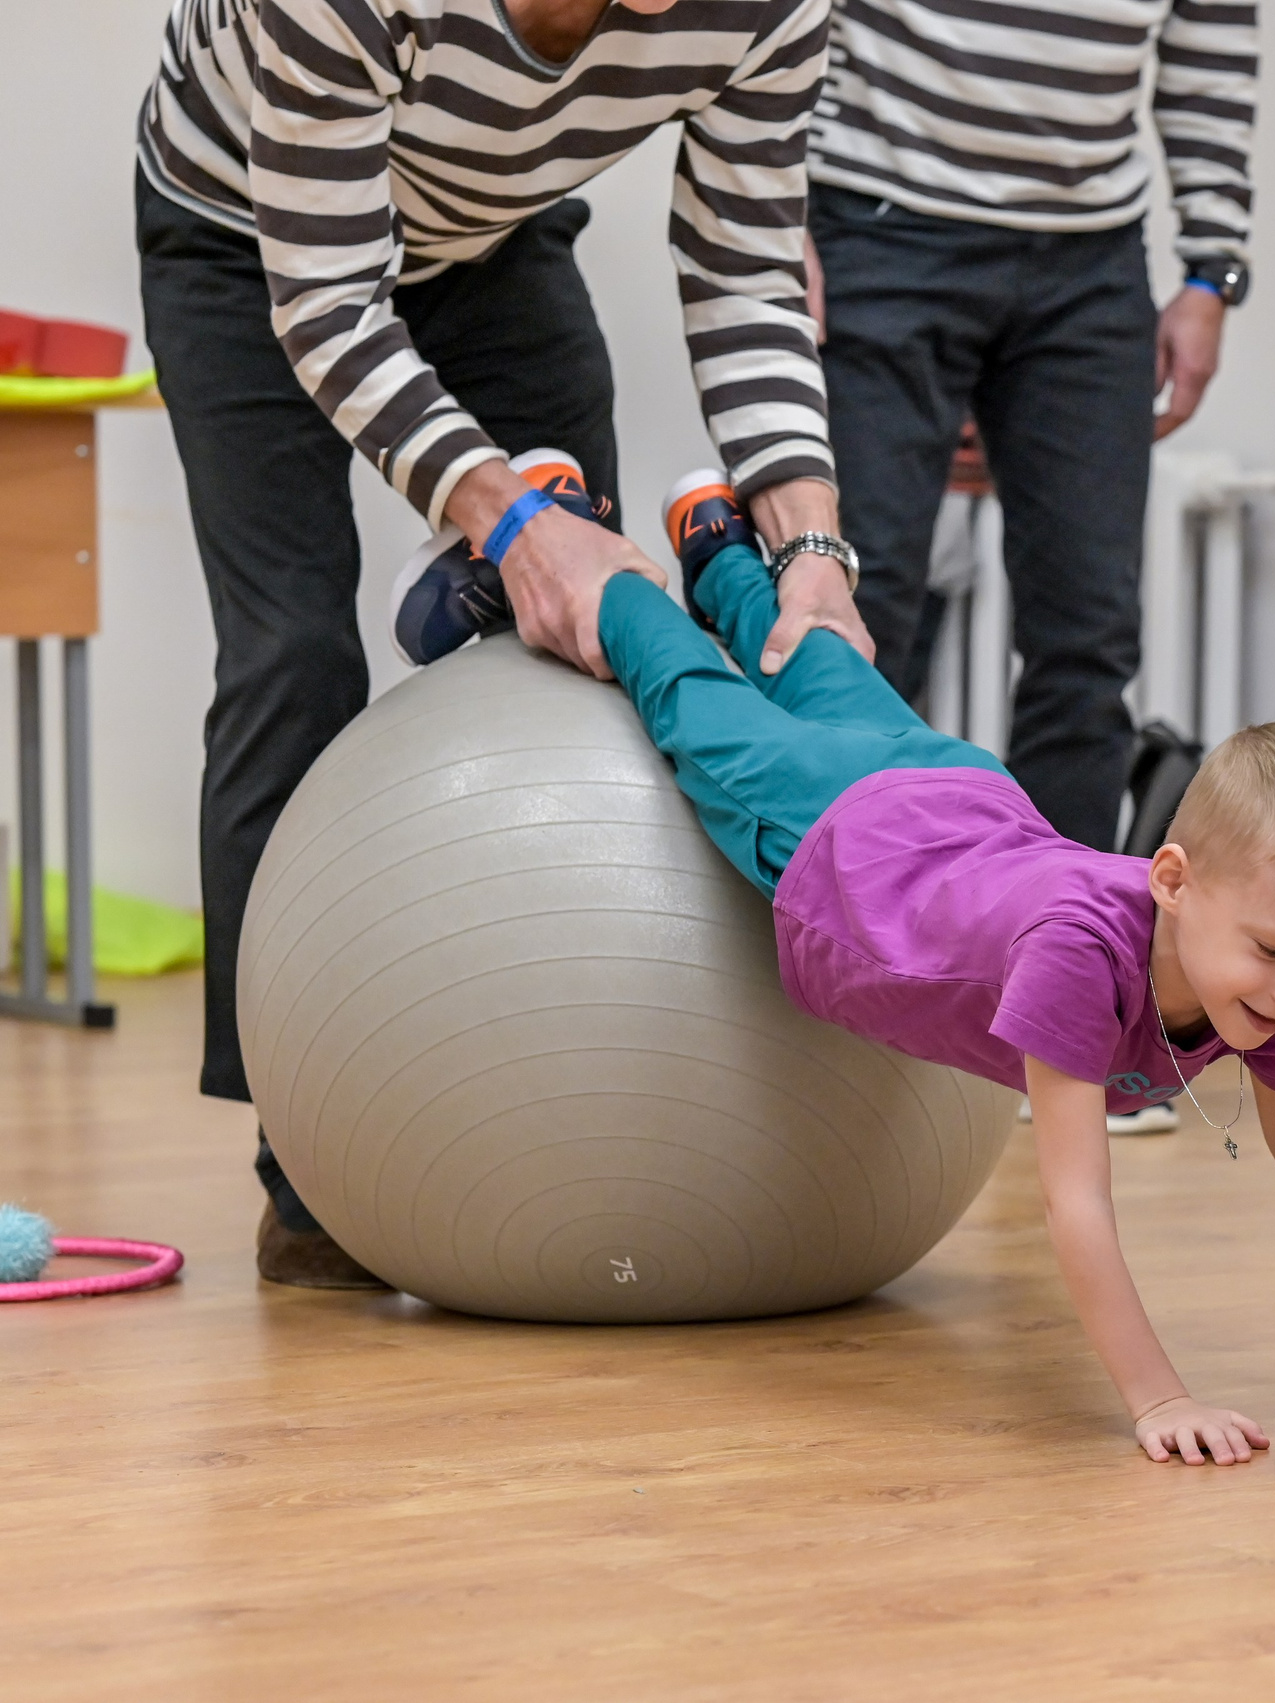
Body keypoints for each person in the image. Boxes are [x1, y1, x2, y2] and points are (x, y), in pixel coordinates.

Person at [460, 467, 1275, 1463]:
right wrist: (1157, 1394)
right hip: (843, 850)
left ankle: (719, 541)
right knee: (684, 689)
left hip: (956, 790)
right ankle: (582, 545)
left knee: (820, 660)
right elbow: (1076, 1204)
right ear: (1173, 879)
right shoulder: (1079, 955)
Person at [137, 0, 867, 1288]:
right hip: (243, 230)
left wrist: (813, 545)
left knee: (595, 638)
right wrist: (509, 519)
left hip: (487, 231)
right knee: (292, 656)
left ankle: (584, 1092)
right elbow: (326, 303)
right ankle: (303, 1172)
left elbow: (747, 266)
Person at [800, 0, 1258, 852]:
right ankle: (832, 942)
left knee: (1090, 640)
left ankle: (1057, 945)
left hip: (1090, 253)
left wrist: (1211, 268)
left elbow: (1213, 37)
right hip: (878, 214)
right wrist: (769, 202)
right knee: (853, 608)